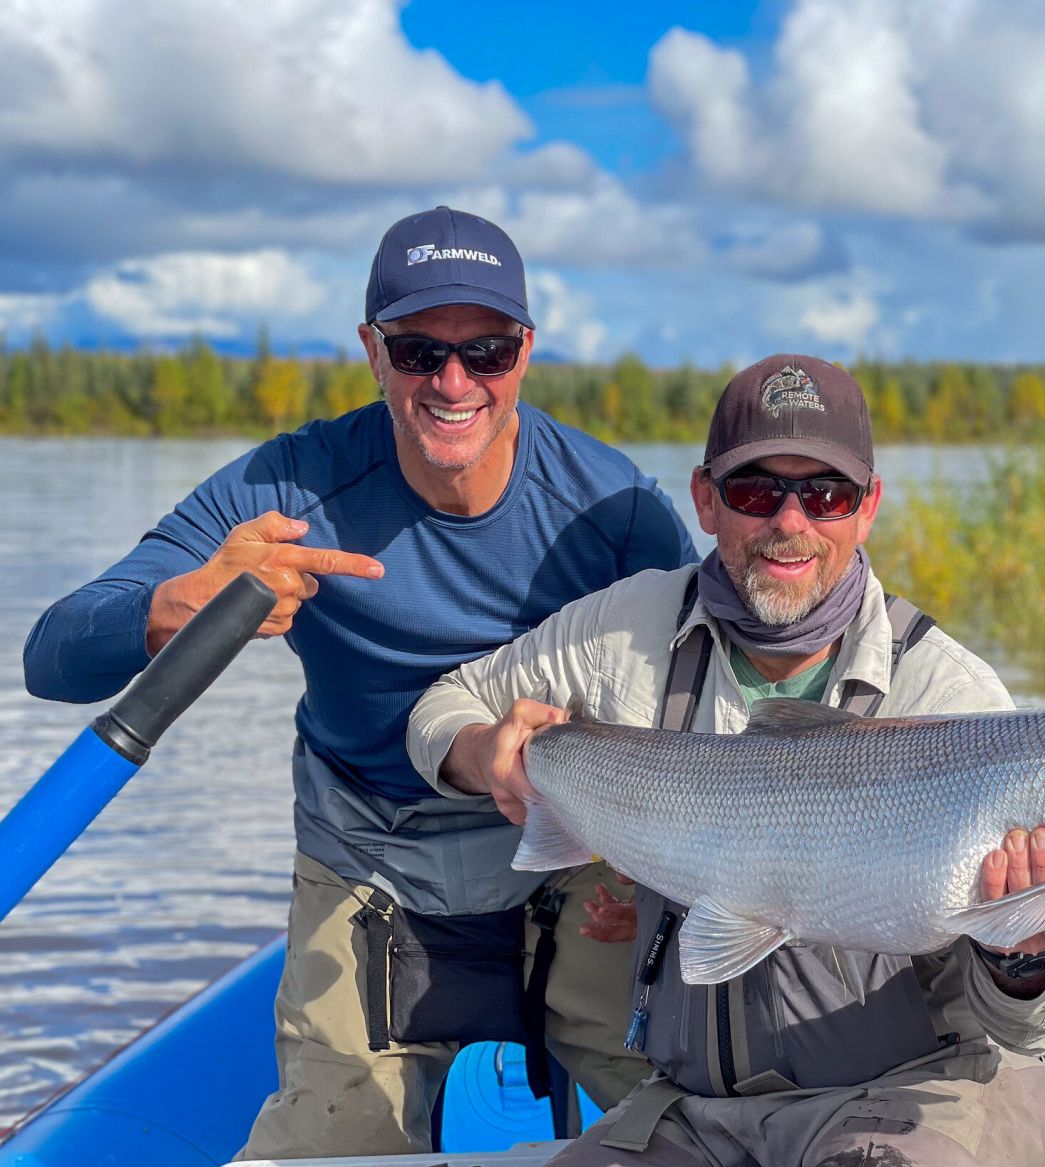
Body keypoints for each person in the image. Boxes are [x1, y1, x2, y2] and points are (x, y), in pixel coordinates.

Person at [22, 206, 698, 1160]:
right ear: (372, 351)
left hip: (573, 861)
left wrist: (654, 870)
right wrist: (178, 604)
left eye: (487, 350)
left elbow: (702, 706)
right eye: (420, 350)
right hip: (369, 864)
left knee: (700, 1122)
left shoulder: (615, 509)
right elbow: (51, 656)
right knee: (332, 1143)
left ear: (527, 352)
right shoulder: (289, 491)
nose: (453, 382)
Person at [407, 354, 1045, 1166]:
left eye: (825, 494)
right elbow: (444, 703)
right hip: (695, 1109)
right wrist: (481, 753)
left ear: (868, 506)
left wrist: (1019, 952)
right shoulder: (622, 631)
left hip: (911, 1102)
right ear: (705, 498)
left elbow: (1039, 1031)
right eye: (756, 491)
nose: (791, 521)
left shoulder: (953, 696)